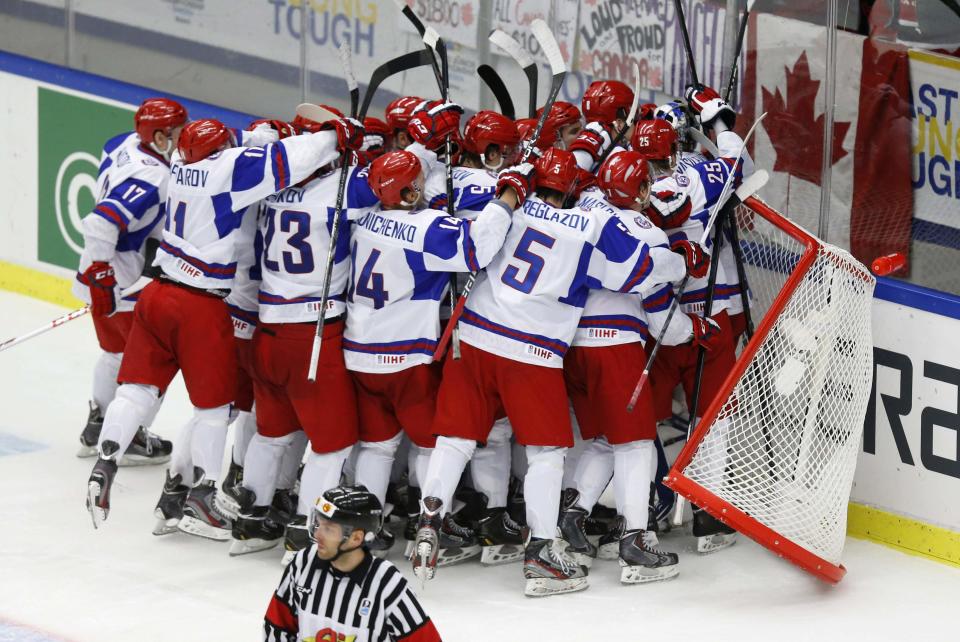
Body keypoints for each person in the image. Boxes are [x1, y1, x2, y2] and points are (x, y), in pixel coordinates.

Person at [84, 114, 363, 538]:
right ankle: (208, 491)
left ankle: (149, 478)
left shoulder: (179, 169)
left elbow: (262, 155)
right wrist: (331, 138)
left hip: (172, 292)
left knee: (144, 389)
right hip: (242, 312)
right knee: (229, 408)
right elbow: (285, 158)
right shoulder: (243, 174)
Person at [413, 147, 663, 597]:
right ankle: (543, 551)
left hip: (474, 341)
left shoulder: (511, 209)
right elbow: (634, 274)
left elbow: (470, 247)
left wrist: (507, 194)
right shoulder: (588, 224)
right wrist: (676, 259)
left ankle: (430, 517)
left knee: (455, 439)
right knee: (546, 454)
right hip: (532, 354)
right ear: (572, 190)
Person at [74, 97, 187, 467]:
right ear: (156, 135)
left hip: (94, 268)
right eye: (174, 132)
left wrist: (96, 270)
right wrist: (105, 273)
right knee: (152, 366)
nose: (180, 137)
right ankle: (130, 436)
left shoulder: (122, 142)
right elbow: (101, 222)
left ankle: (98, 422)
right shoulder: (154, 177)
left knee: (114, 354)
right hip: (118, 278)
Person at [264, 485, 441, 642]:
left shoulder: (387, 583)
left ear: (356, 538)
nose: (318, 535)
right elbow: (277, 626)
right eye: (318, 524)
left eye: (328, 529)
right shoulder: (304, 562)